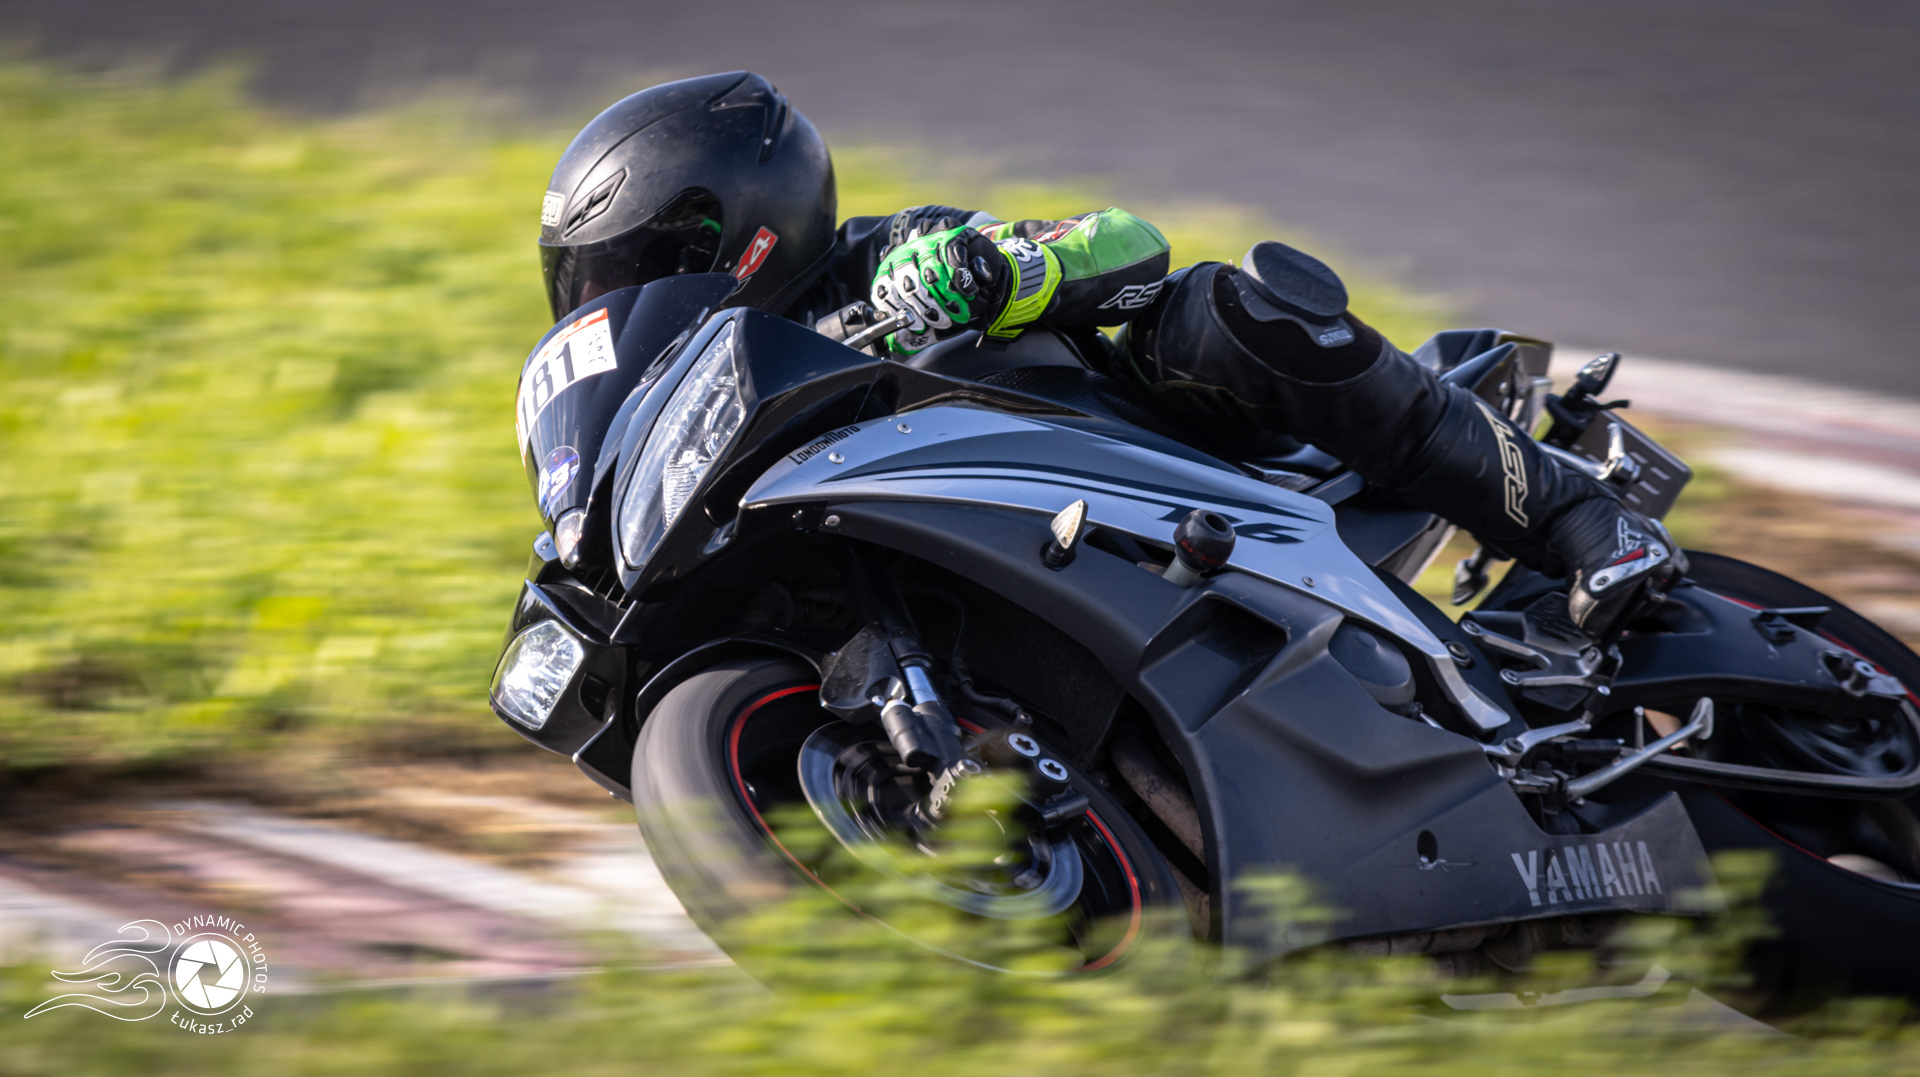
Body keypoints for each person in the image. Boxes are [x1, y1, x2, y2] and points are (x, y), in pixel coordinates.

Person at [536, 71, 1678, 639]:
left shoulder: (892, 252)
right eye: (596, 285)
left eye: (644, 265)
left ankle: (1583, 516)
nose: (622, 301)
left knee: (1212, 314)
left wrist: (995, 271)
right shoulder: (692, 409)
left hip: (1161, 465)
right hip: (1003, 570)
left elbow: (1128, 245)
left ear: (740, 225)